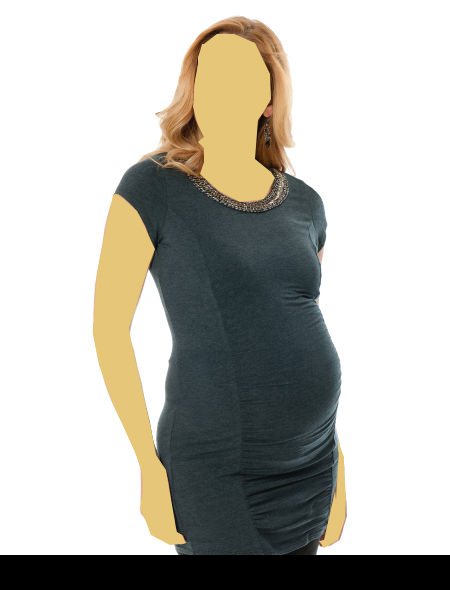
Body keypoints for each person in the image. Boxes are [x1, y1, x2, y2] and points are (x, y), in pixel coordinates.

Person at [93, 16, 347, 556]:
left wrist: (340, 468)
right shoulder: (152, 187)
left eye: (240, 77)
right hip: (215, 470)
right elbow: (109, 331)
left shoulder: (306, 204)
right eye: (208, 75)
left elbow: (294, 330)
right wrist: (147, 467)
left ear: (270, 100)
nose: (219, 90)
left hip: (312, 463)